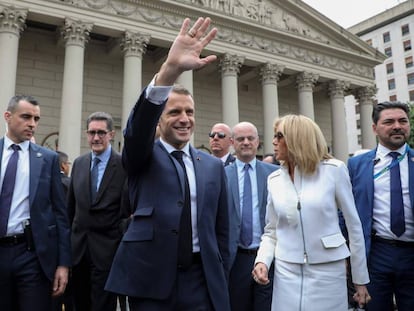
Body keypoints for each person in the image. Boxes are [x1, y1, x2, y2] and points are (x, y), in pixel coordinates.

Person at [105, 17, 231, 311]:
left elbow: (223, 231)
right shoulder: (142, 155)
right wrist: (169, 72)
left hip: (202, 282)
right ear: (159, 120)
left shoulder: (212, 167)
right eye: (174, 112)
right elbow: (137, 130)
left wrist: (218, 275)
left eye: (189, 112)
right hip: (151, 284)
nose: (184, 119)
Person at [252, 114, 370, 310]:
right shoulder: (273, 179)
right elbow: (271, 231)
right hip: (285, 272)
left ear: (297, 138)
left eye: (279, 136)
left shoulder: (334, 170)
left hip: (329, 271)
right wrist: (262, 261)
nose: (273, 141)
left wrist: (360, 279)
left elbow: (354, 227)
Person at [0, 95, 71, 310]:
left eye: (36, 119)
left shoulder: (47, 159)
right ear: (8, 116)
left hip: (32, 255)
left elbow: (60, 214)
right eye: (26, 117)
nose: (32, 124)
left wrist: (63, 264)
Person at [347, 101, 414, 311]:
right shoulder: (357, 165)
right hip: (376, 254)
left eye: (402, 121)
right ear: (375, 128)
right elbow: (345, 212)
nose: (397, 126)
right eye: (389, 122)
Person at [67, 111, 128, 311]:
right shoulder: (79, 163)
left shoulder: (123, 166)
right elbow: (71, 209)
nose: (96, 138)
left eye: (101, 132)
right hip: (78, 253)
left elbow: (127, 211)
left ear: (112, 134)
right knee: (78, 304)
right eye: (92, 132)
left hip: (107, 254)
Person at [226, 121, 278, 311]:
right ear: (232, 142)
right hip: (236, 258)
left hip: (270, 257)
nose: (246, 142)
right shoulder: (222, 175)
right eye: (240, 139)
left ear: (258, 142)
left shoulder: (275, 174)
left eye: (250, 138)